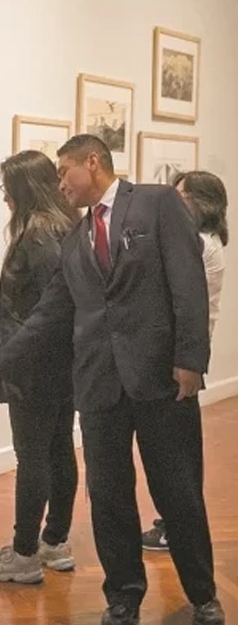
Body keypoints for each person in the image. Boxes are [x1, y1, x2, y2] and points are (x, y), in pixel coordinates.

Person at [0, 134, 225, 625]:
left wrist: (191, 359)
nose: (59, 182)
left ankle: (204, 595)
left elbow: (188, 285)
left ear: (93, 163)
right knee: (108, 499)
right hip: (99, 386)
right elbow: (49, 314)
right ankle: (123, 597)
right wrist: (1, 362)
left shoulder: (156, 203)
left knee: (178, 491)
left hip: (161, 380)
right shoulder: (75, 238)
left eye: (65, 171)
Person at [0, 150, 79, 585]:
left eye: (6, 189)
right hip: (62, 362)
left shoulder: (37, 237)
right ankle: (54, 542)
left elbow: (46, 312)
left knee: (34, 455)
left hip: (36, 365)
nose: (4, 198)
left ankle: (24, 554)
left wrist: (1, 363)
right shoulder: (67, 228)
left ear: (23, 189)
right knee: (58, 449)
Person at [142, 170, 228, 552]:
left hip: (181, 361)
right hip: (185, 357)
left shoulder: (198, 244)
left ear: (200, 202)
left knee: (176, 458)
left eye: (180, 195)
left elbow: (186, 306)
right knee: (178, 454)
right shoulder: (205, 241)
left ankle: (177, 528)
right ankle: (175, 524)